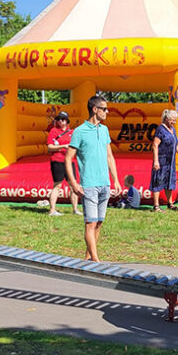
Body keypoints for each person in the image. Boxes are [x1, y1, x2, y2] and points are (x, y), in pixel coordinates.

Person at [65, 95, 121, 263]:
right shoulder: (80, 131)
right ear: (95, 110)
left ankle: (88, 259)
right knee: (90, 223)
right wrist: (74, 183)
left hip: (104, 183)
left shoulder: (104, 130)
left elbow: (109, 156)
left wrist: (115, 180)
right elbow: (68, 158)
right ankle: (96, 261)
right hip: (89, 185)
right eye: (104, 109)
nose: (107, 112)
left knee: (98, 223)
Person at [150, 109, 178, 211]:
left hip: (171, 161)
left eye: (175, 120)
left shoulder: (173, 129)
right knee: (158, 181)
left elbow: (174, 143)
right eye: (172, 120)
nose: (173, 122)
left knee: (169, 181)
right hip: (161, 159)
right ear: (167, 118)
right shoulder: (160, 129)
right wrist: (156, 161)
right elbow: (155, 145)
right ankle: (156, 206)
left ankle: (170, 203)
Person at [46, 111, 80, 216]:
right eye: (59, 119)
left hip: (70, 161)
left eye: (63, 119)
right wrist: (63, 146)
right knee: (57, 185)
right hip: (57, 160)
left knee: (73, 185)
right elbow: (50, 147)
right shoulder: (54, 131)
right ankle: (52, 210)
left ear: (67, 120)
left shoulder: (72, 132)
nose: (61, 121)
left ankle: (75, 209)